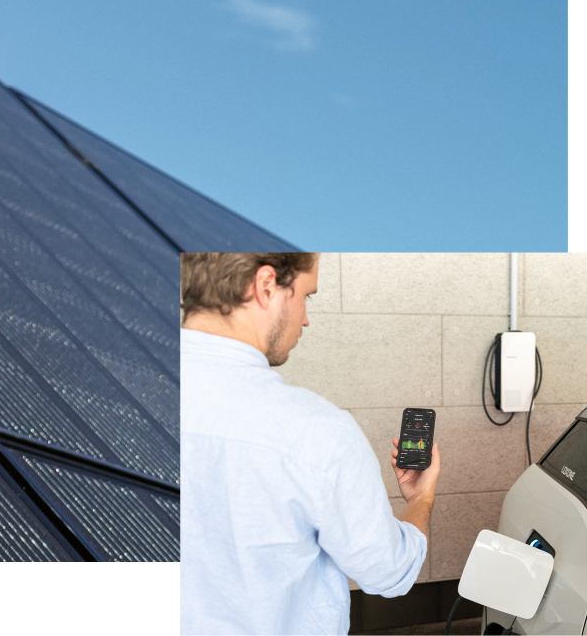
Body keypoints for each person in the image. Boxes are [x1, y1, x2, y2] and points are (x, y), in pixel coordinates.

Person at [181, 252, 440, 636]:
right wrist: (422, 500)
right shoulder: (317, 433)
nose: (305, 317)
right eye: (307, 295)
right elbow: (390, 570)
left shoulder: (105, 400)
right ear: (266, 286)